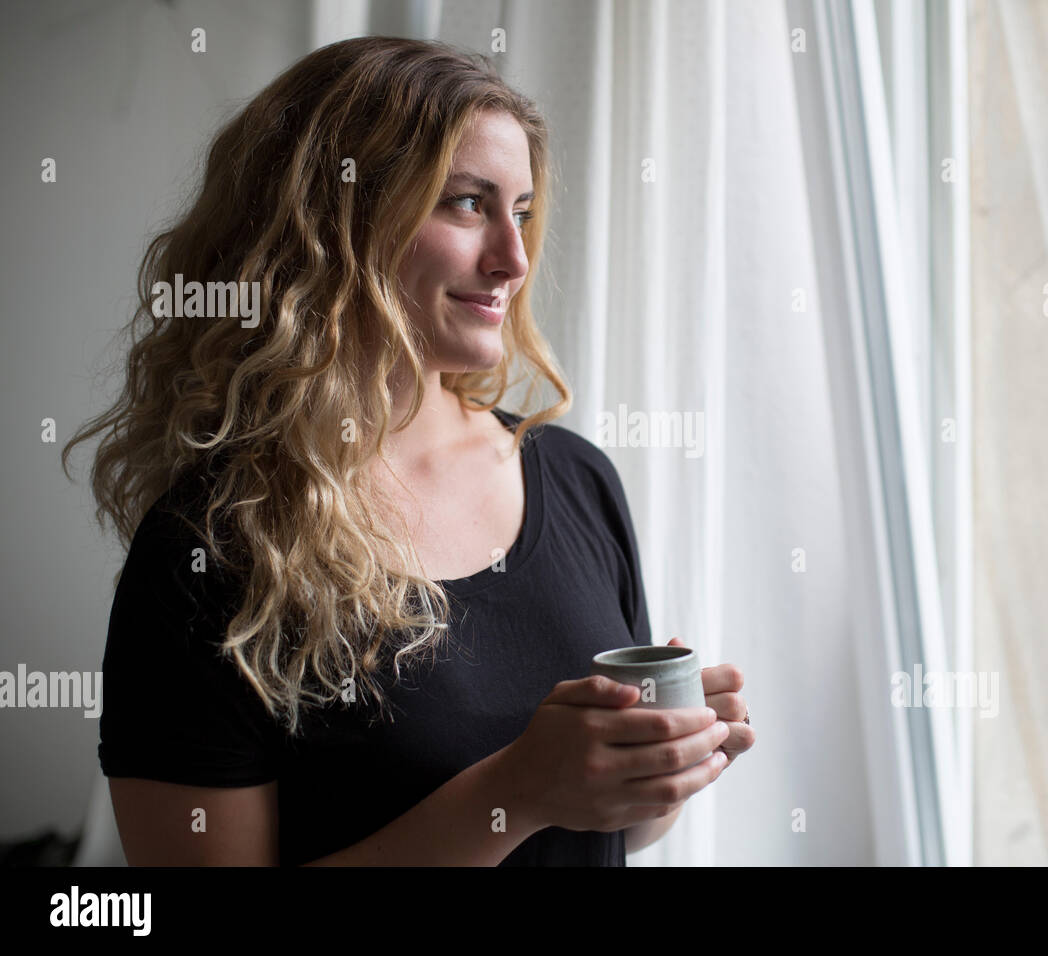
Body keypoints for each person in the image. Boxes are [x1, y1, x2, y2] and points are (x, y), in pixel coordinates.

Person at [63, 36, 754, 866]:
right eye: (467, 204)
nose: (514, 258)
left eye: (523, 212)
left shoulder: (574, 478)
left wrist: (657, 762)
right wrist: (513, 793)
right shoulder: (209, 550)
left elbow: (610, 833)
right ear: (330, 220)